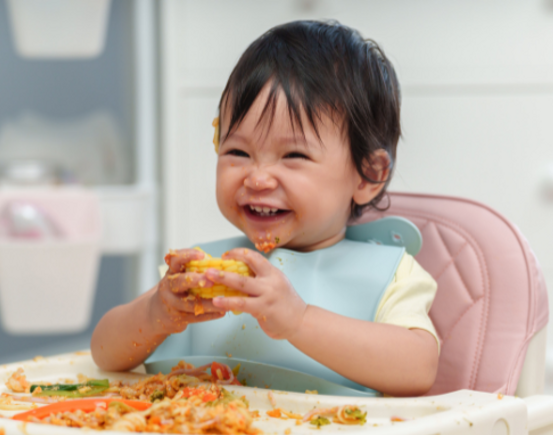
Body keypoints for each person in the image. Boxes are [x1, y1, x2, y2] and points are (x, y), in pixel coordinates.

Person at [91, 20, 439, 397]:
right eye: (238, 152)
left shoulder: (389, 275)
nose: (257, 179)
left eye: (293, 156)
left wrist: (299, 321)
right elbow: (104, 353)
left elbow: (419, 367)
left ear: (367, 175)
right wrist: (156, 314)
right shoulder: (201, 270)